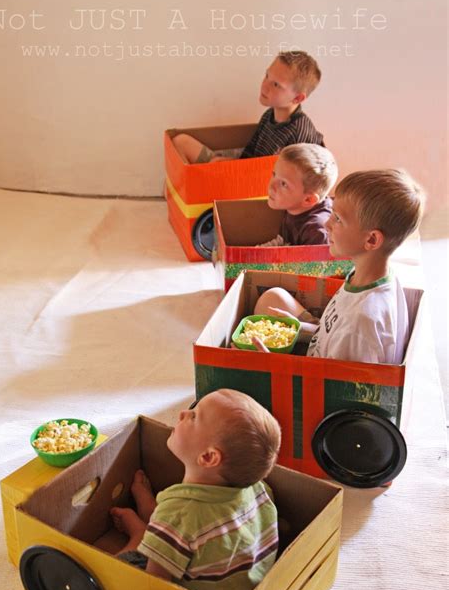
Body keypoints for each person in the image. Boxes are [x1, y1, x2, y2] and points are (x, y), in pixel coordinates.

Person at [110, 388, 281, 590]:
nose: (182, 413)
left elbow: (155, 583)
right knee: (176, 532)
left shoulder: (179, 514)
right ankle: (155, 525)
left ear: (208, 457)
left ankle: (141, 536)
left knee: (118, 568)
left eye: (193, 416)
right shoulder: (258, 487)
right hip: (244, 584)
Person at [252, 169, 425, 364]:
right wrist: (300, 329)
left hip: (320, 378)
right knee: (273, 298)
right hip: (325, 342)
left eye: (338, 219)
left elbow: (330, 390)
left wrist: (272, 363)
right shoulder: (368, 273)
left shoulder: (359, 326)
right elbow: (332, 330)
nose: (326, 224)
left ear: (371, 239)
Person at [172, 51, 324, 164]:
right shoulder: (269, 115)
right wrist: (225, 163)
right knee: (181, 141)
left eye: (276, 85)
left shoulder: (299, 134)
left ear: (297, 98)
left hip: (265, 188)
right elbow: (250, 153)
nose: (264, 86)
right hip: (247, 171)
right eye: (267, 76)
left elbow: (291, 181)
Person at [257, 143, 338, 247]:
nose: (271, 186)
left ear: (308, 199)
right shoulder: (294, 204)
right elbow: (283, 242)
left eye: (283, 184)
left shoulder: (316, 233)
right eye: (274, 174)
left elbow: (315, 263)